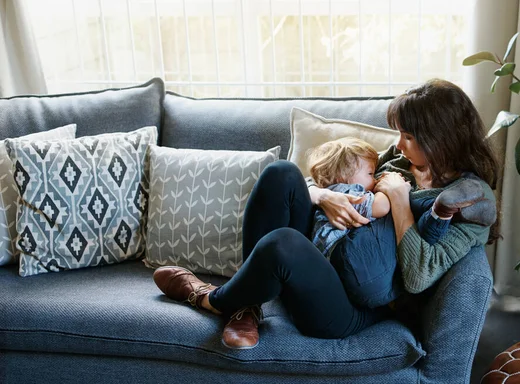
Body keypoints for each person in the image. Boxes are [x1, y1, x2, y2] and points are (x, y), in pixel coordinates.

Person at [153, 78, 501, 351]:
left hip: (352, 305)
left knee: (283, 244)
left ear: (441, 139)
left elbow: (419, 276)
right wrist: (324, 197)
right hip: (328, 251)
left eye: (408, 136)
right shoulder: (401, 161)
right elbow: (334, 178)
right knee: (282, 174)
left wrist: (397, 198)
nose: (397, 144)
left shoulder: (465, 203)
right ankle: (250, 307)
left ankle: (210, 299)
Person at [307, 136, 495, 308]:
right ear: (343, 175)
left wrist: (395, 192)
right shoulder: (349, 192)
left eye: (408, 136)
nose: (398, 144)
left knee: (416, 227)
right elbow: (382, 206)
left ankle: (441, 213)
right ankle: (440, 206)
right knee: (402, 210)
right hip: (353, 259)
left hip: (367, 268)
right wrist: (392, 190)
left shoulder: (356, 177)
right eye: (371, 174)